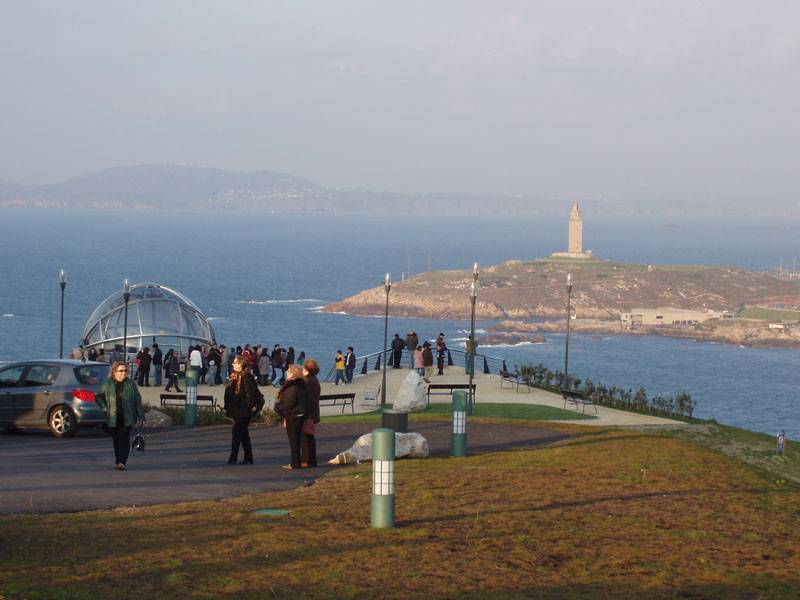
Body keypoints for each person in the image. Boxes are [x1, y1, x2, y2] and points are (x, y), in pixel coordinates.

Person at [95, 362, 146, 470]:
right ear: (114, 372)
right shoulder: (108, 384)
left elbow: (137, 400)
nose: (124, 373)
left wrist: (141, 416)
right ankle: (117, 460)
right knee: (116, 439)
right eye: (121, 371)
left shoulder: (130, 384)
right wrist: (105, 408)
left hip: (127, 415)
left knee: (123, 438)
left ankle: (122, 462)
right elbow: (98, 396)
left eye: (125, 371)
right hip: (113, 416)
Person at [224, 355, 261, 465]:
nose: (233, 364)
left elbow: (252, 394)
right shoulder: (234, 376)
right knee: (243, 434)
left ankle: (233, 458)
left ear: (241, 364)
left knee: (237, 432)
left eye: (235, 362)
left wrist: (246, 406)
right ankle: (248, 457)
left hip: (243, 411)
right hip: (236, 409)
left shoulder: (247, 377)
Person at [274, 364, 306, 470]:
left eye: (288, 370)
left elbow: (288, 402)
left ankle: (295, 463)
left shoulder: (292, 387)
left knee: (293, 440)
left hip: (293, 415)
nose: (286, 372)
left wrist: (278, 407)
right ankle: (295, 462)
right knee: (295, 440)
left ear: (293, 373)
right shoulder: (300, 385)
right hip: (298, 413)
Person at [301, 358, 321, 468]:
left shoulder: (307, 381)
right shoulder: (314, 379)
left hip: (308, 413)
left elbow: (306, 397)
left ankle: (307, 460)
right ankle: (310, 459)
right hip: (313, 412)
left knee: (306, 437)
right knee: (309, 437)